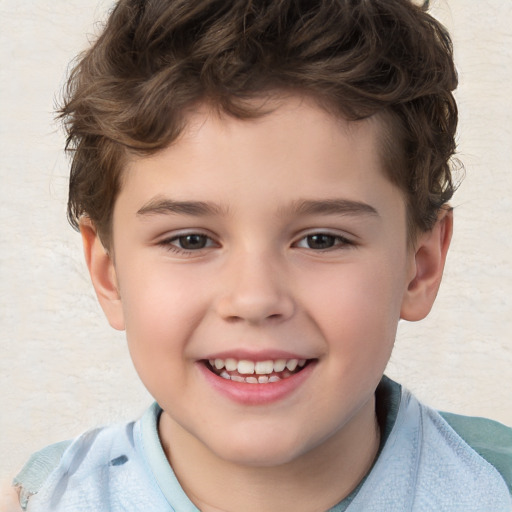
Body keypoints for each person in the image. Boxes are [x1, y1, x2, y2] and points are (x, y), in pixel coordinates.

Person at [10, 0, 512, 510]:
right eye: (190, 240)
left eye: (321, 239)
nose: (253, 299)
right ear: (109, 273)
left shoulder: (494, 485)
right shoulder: (43, 497)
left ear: (420, 266)